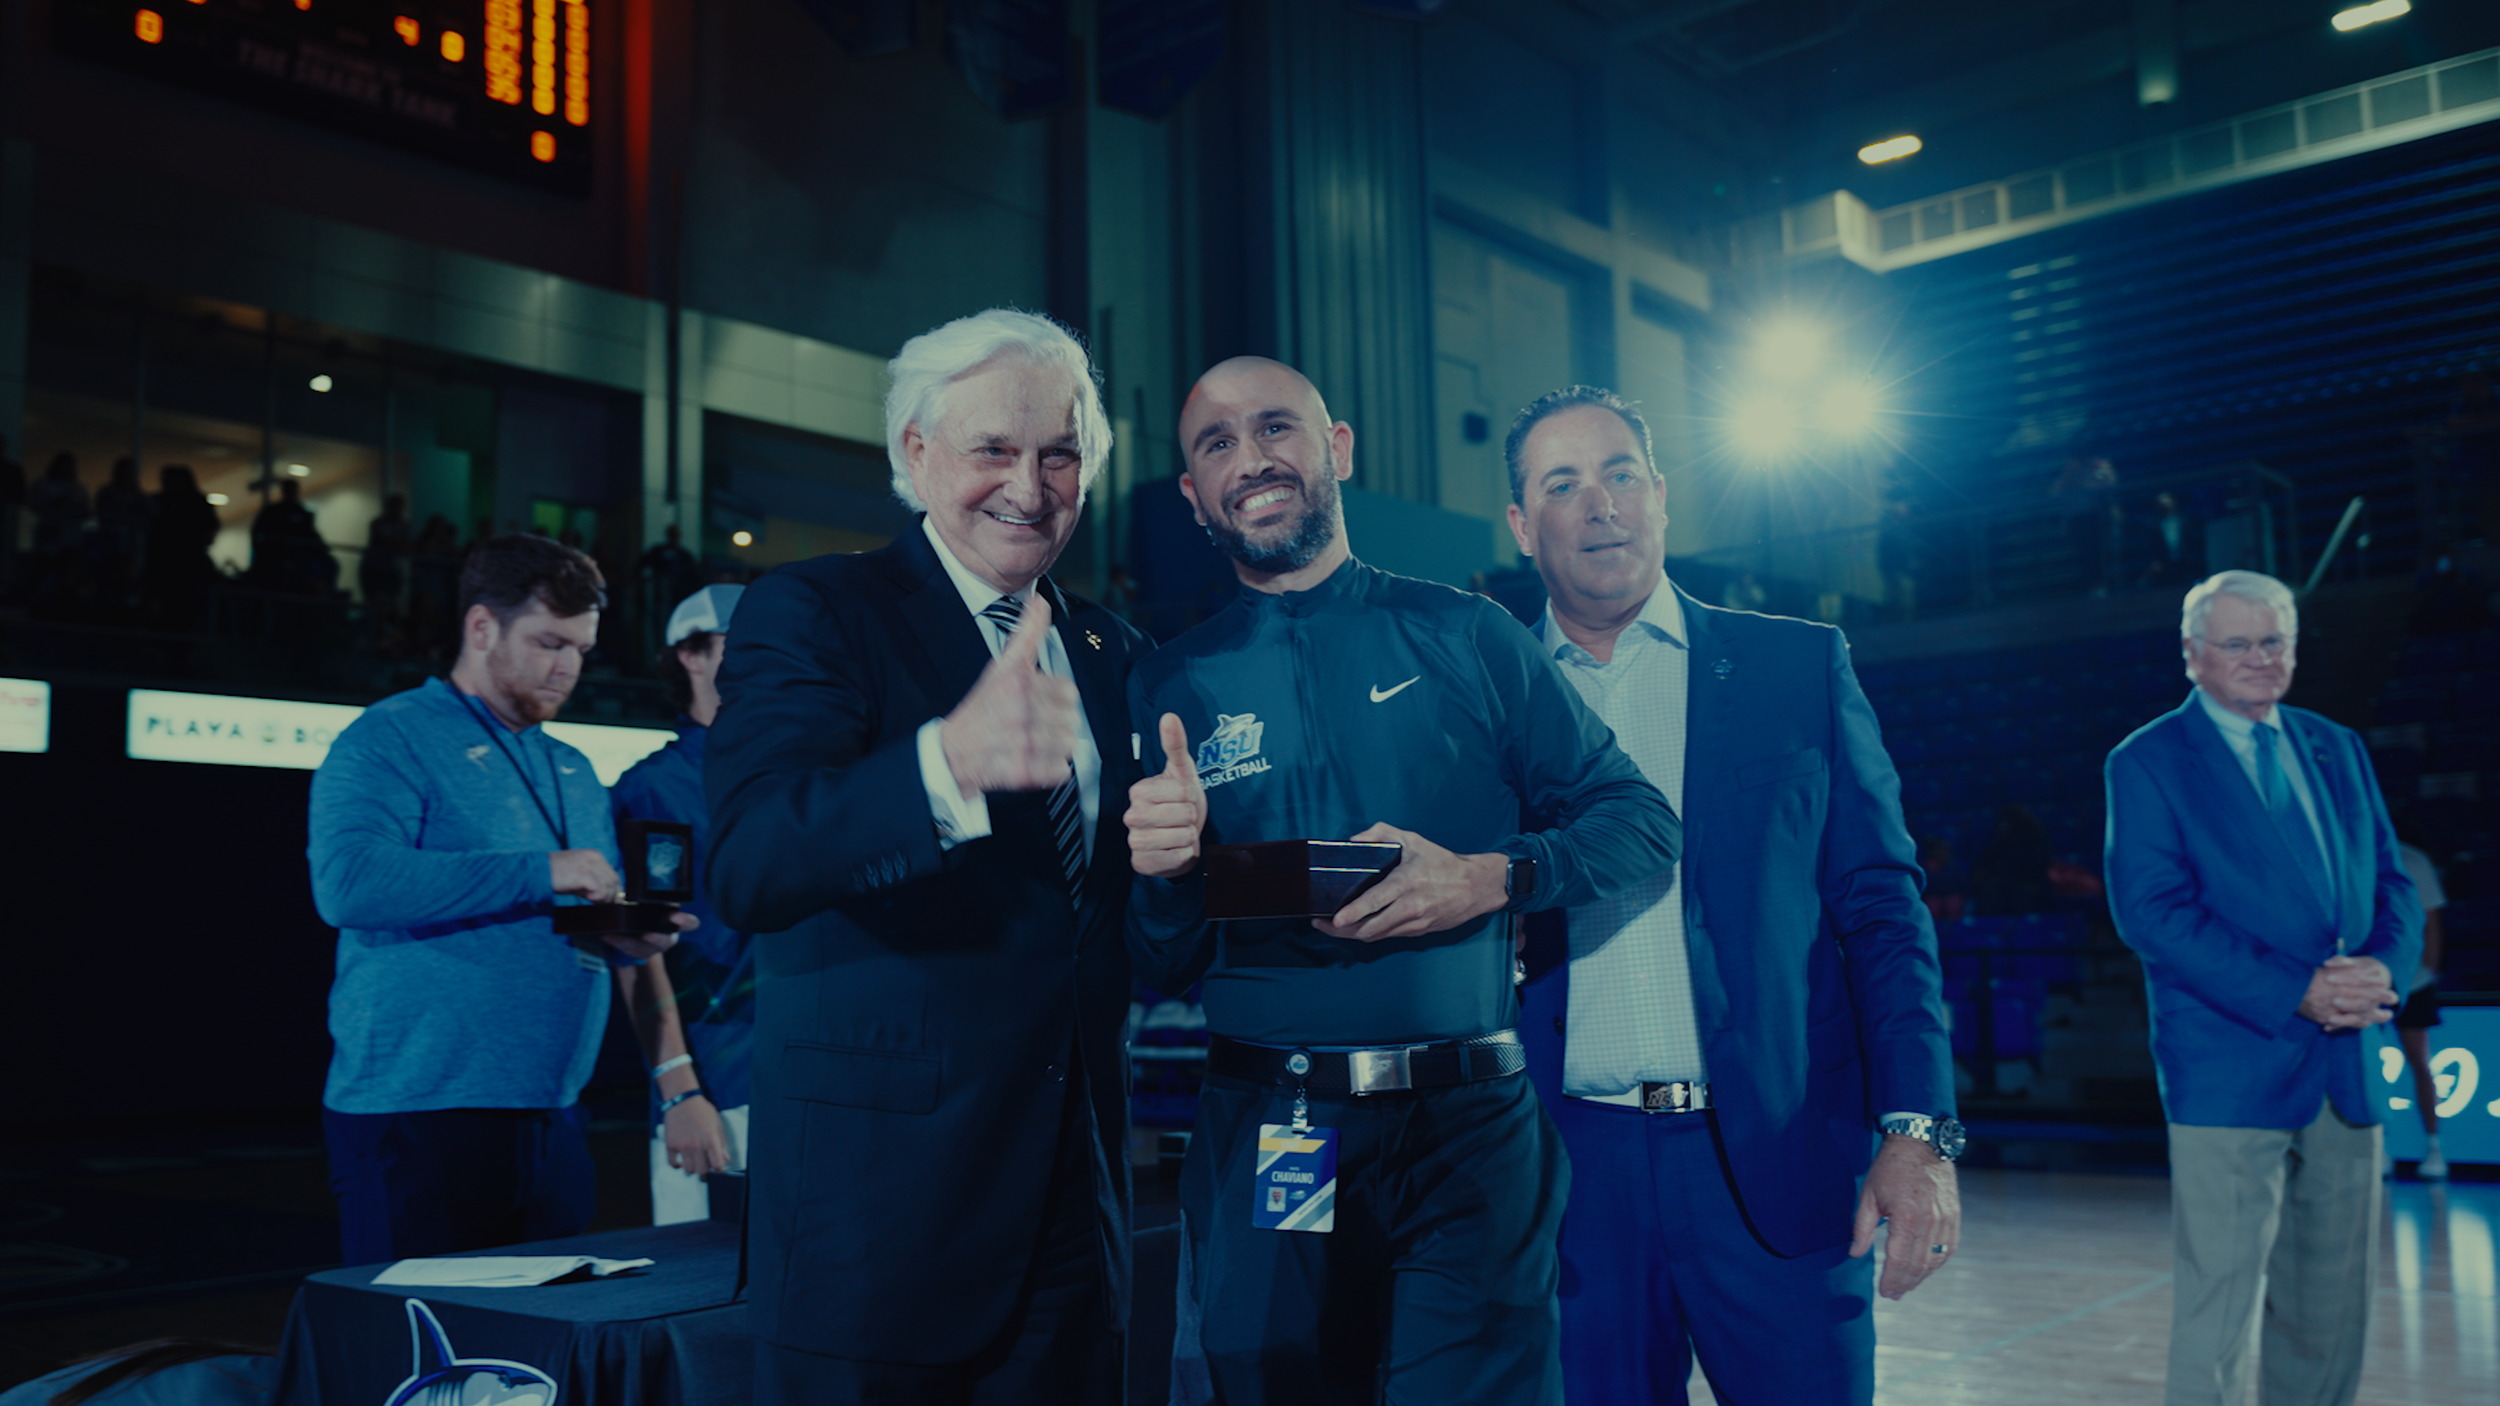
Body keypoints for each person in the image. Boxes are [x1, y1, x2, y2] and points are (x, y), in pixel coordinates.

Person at [1124, 357, 1680, 1405]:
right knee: (1274, 1387)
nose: (1253, 459)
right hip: (1276, 1125)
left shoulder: (1465, 633)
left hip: (1465, 1128)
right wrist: (1159, 877)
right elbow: (1160, 957)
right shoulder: (1166, 683)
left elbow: (1639, 819)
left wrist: (1488, 877)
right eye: (1218, 445)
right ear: (1195, 497)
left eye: (1277, 428)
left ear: (1336, 447)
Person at [705, 309, 1150, 1405]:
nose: (1030, 486)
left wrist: (1179, 865)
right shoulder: (813, 609)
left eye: (1060, 454)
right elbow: (751, 861)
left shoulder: (1106, 648)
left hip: (1070, 1227)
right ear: (915, 450)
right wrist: (941, 765)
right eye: (994, 448)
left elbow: (1114, 934)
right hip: (877, 1232)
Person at [1496, 386, 1959, 1404]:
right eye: (1562, 484)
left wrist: (1916, 1129)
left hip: (1780, 1156)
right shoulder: (1490, 694)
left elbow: (1882, 911)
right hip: (1569, 1173)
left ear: (1660, 495)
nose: (1599, 504)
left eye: (1620, 473)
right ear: (1523, 525)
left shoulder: (1798, 664)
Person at [307, 534, 691, 1264]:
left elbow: (565, 907)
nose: (568, 667)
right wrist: (540, 871)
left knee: (531, 1369)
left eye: (580, 648)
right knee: (419, 1363)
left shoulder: (573, 768)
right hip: (417, 1111)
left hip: (553, 1110)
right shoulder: (388, 738)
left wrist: (625, 934)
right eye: (549, 643)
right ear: (481, 628)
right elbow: (349, 882)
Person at [2104, 569, 2420, 1406]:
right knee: (2217, 1312)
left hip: (2348, 1059)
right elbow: (2152, 914)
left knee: (2330, 1310)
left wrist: (2384, 970)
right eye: (2237, 643)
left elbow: (2391, 883)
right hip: (2228, 1064)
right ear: (2192, 654)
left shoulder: (2335, 744)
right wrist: (2299, 990)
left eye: (2273, 640)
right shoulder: (2146, 760)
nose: (2259, 658)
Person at [611, 583, 754, 1224]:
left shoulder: (813, 774)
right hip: (717, 1091)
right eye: (741, 642)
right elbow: (637, 950)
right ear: (691, 656)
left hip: (823, 1082)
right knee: (709, 1299)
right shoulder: (653, 789)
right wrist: (678, 1090)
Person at [2390, 816, 2449, 1181]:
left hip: (2413, 982)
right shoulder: (2352, 856)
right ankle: (2376, 1148)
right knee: (2363, 1068)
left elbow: (2432, 920)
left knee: (2420, 1063)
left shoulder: (2413, 861)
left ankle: (2434, 1148)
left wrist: (2428, 967)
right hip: (2364, 982)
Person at [144, 466, 220, 629]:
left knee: (185, 602)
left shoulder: (196, 503)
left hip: (188, 561)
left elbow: (210, 527)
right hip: (165, 560)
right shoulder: (161, 502)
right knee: (166, 601)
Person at [361, 492, 412, 624]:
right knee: (374, 601)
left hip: (392, 570)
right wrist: (396, 543)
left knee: (390, 603)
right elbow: (381, 541)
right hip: (374, 568)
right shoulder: (378, 523)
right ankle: (371, 629)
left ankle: (388, 631)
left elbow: (406, 546)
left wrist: (395, 543)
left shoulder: (404, 525)